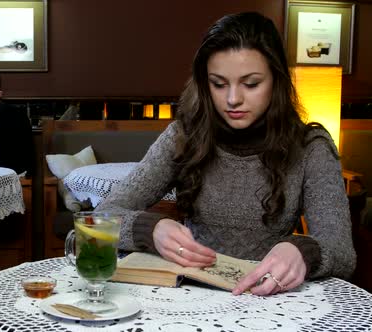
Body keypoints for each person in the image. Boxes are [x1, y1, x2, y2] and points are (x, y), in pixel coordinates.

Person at [95, 12, 356, 296]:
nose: (233, 99)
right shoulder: (183, 136)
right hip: (192, 295)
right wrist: (150, 230)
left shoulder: (310, 147)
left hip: (271, 299)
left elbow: (341, 252)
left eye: (251, 84)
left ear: (276, 81)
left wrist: (302, 251)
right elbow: (101, 217)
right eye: (219, 84)